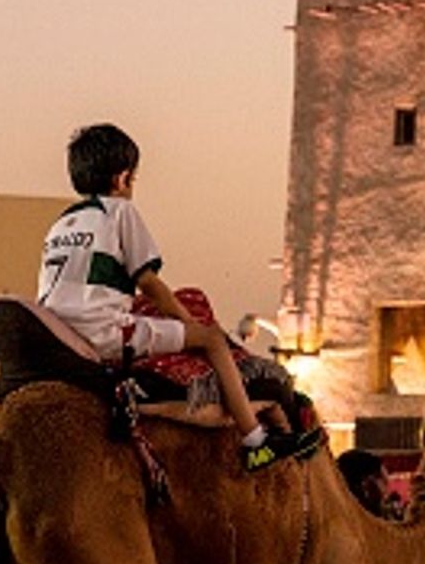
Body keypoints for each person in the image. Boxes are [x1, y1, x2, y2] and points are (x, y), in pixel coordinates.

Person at [39, 124, 316, 473]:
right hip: (104, 333)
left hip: (61, 334)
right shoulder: (120, 212)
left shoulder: (61, 224)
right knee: (212, 340)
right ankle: (256, 441)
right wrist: (187, 321)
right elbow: (149, 282)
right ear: (123, 178)